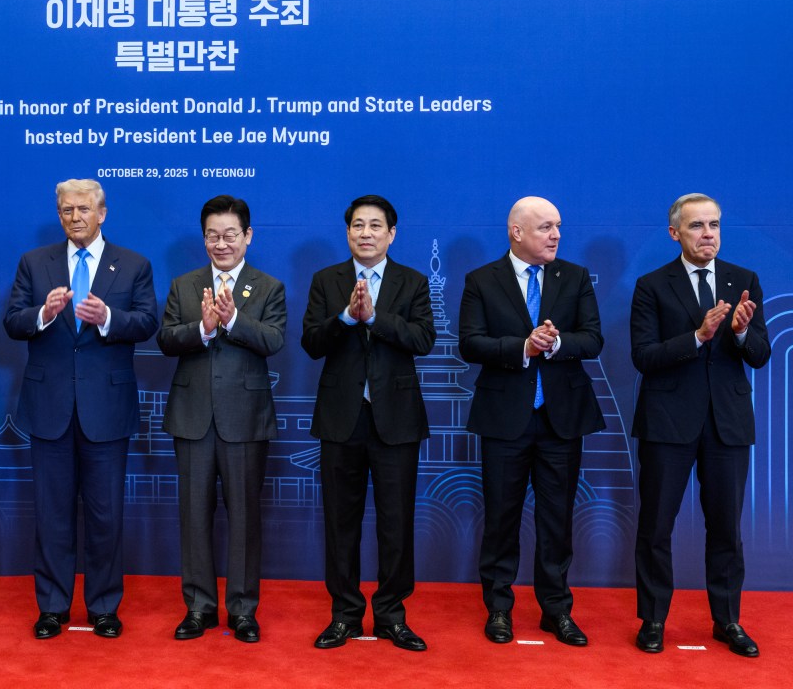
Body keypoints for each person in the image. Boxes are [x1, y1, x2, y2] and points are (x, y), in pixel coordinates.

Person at [4, 178, 158, 640]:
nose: (75, 217)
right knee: (51, 514)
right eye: (67, 210)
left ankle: (104, 607)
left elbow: (149, 322)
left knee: (106, 515)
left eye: (84, 209)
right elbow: (12, 322)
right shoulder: (36, 263)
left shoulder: (134, 264)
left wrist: (107, 317)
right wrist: (44, 315)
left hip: (106, 409)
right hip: (49, 407)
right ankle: (52, 606)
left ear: (102, 213)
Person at [459, 196, 604, 647]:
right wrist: (524, 346)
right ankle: (499, 609)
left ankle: (556, 610)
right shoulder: (482, 280)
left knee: (557, 521)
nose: (556, 235)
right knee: (501, 519)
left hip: (562, 418)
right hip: (505, 418)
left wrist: (556, 344)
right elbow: (471, 344)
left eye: (558, 226)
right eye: (545, 227)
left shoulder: (575, 277)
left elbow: (594, 338)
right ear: (516, 232)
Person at [631, 193, 770, 658]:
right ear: (675, 233)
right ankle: (653, 619)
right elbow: (643, 357)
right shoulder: (651, 285)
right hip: (667, 423)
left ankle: (727, 620)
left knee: (727, 528)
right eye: (696, 226)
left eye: (713, 225)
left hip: (728, 425)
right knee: (655, 527)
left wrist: (740, 332)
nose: (707, 234)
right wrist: (697, 336)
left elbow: (761, 355)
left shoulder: (744, 280)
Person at [301, 195, 435, 651]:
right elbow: (312, 343)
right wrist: (345, 317)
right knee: (341, 523)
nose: (366, 233)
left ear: (391, 234)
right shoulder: (327, 280)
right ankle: (344, 615)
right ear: (347, 232)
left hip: (395, 421)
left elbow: (423, 340)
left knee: (396, 524)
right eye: (357, 225)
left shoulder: (412, 282)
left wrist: (375, 318)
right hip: (342, 420)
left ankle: (392, 615)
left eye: (375, 225)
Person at [156, 195, 286, 644]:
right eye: (213, 235)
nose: (221, 243)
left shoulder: (268, 287)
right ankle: (198, 608)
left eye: (230, 235)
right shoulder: (184, 285)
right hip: (192, 418)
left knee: (245, 517)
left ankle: (243, 610)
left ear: (248, 236)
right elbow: (167, 339)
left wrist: (232, 321)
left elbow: (273, 340)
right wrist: (204, 329)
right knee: (194, 516)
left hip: (245, 419)